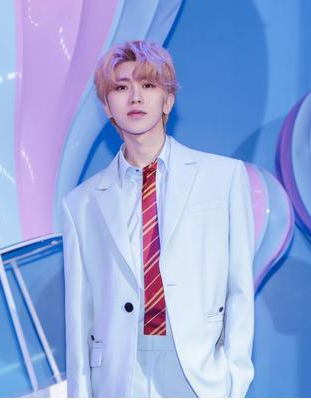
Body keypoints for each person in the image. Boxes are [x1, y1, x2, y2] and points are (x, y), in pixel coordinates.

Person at [61, 40, 255, 397]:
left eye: (148, 85)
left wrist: (235, 378)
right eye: (121, 88)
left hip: (197, 369)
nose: (135, 97)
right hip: (119, 373)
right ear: (107, 106)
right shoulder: (82, 204)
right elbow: (78, 313)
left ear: (168, 100)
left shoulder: (223, 178)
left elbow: (240, 287)